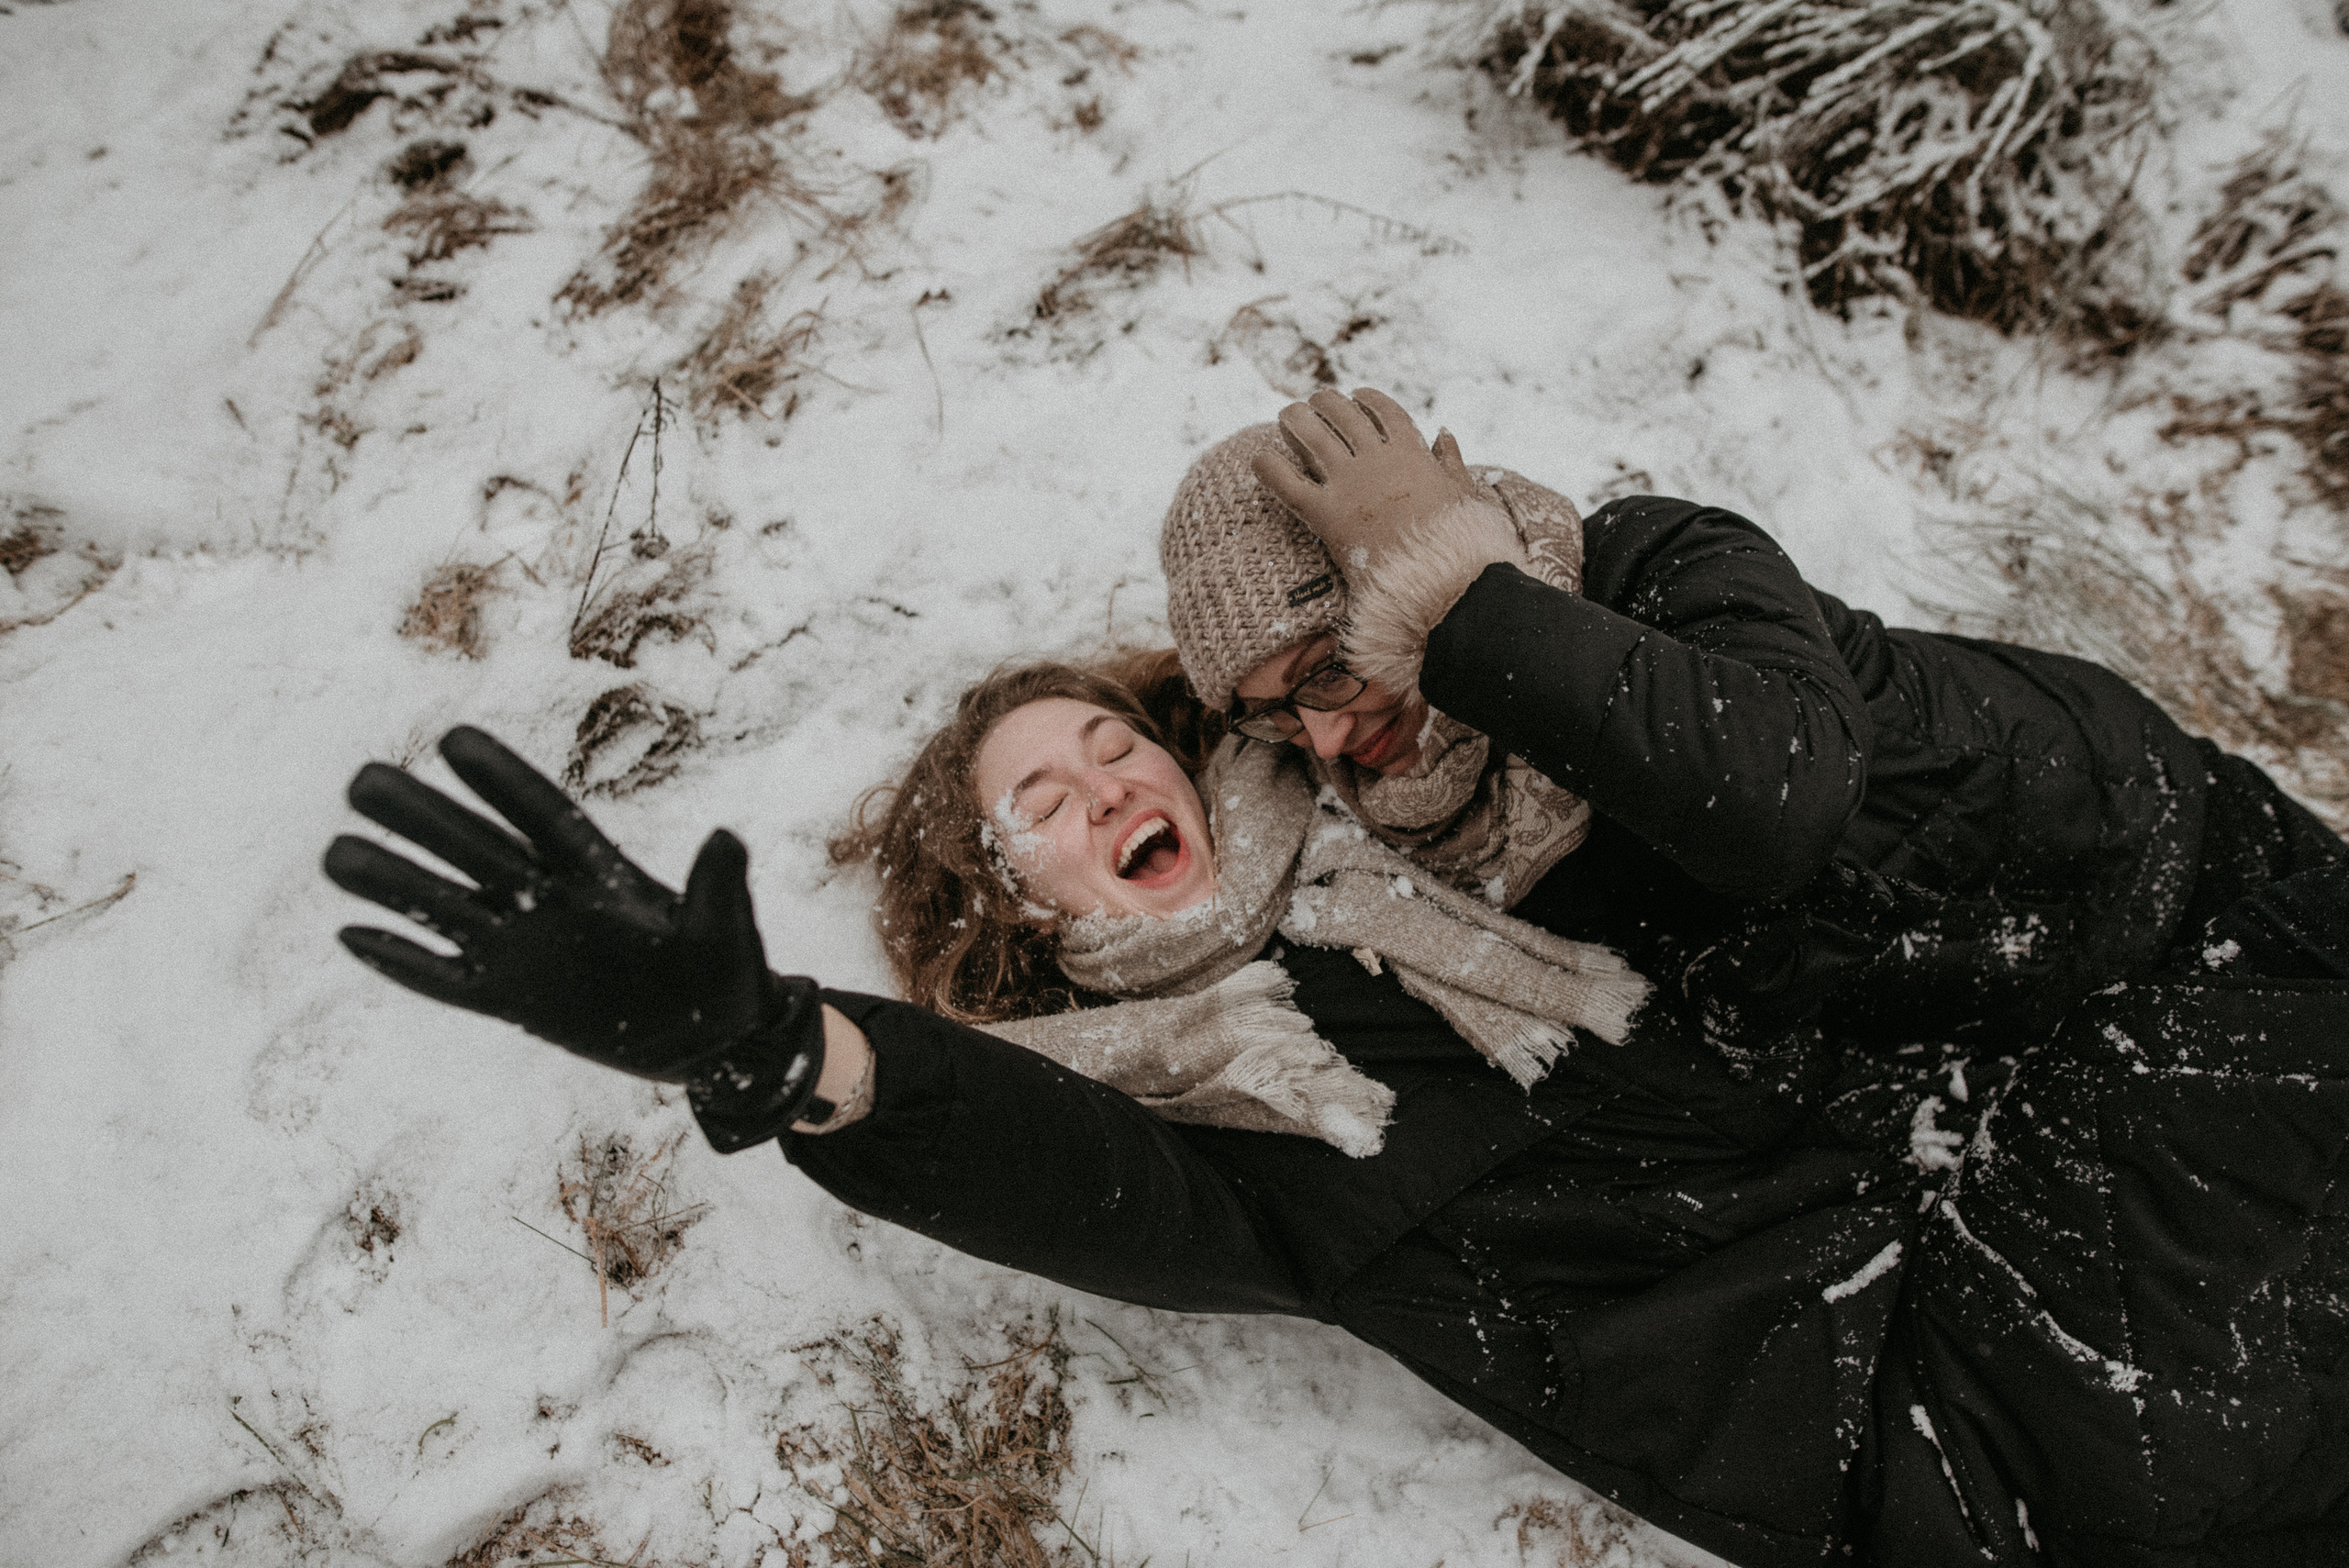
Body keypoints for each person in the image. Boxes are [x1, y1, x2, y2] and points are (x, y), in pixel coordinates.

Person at [326, 670, 2349, 1566]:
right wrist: (775, 1053)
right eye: (1039, 800)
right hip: (1901, 1396)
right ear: (1008, 905)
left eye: (1113, 741)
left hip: (1999, 1215)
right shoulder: (1205, 1113)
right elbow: (1065, 1177)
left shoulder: (1436, 863)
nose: (1104, 781)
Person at [1156, 389, 2349, 1038]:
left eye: (1326, 668)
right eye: (1269, 715)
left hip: (2179, 856)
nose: (1319, 739)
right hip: (2081, 1024)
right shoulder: (1423, 811)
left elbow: (1780, 802)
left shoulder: (1650, 561)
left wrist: (1461, 602)